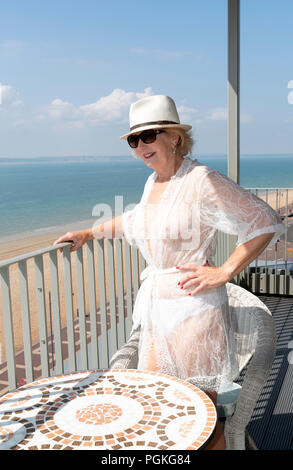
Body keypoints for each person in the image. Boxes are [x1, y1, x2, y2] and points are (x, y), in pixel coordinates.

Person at [54, 95, 285, 450]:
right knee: (157, 406)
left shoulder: (201, 179)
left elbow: (264, 220)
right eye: (134, 140)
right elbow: (134, 221)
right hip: (158, 313)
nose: (141, 146)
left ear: (174, 137)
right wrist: (89, 232)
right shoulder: (154, 184)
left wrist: (224, 271)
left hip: (195, 313)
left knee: (199, 416)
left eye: (149, 136)